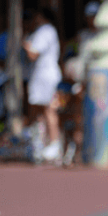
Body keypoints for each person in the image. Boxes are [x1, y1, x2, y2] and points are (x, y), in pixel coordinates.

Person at [23, 9, 63, 163]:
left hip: (45, 77)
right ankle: (43, 144)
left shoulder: (45, 30)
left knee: (49, 109)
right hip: (42, 76)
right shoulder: (45, 31)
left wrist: (24, 43)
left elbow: (33, 54)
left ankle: (54, 144)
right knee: (39, 112)